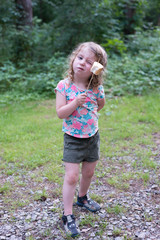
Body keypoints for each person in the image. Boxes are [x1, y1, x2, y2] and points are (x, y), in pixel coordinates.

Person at [55, 41, 107, 237]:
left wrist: (89, 113)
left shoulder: (96, 88)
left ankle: (83, 198)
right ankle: (67, 215)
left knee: (89, 172)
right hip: (73, 138)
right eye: (80, 58)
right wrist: (75, 103)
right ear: (74, 59)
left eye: (89, 62)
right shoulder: (64, 86)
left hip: (92, 136)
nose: (83, 63)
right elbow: (61, 113)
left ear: (96, 68)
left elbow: (99, 105)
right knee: (71, 176)